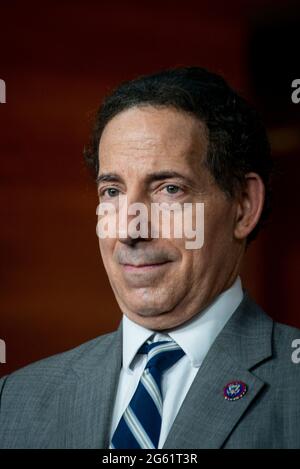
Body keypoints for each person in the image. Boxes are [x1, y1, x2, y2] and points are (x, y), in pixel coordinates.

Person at [0, 67, 299, 449]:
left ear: (243, 207)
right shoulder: (14, 401)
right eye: (112, 192)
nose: (129, 229)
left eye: (169, 189)